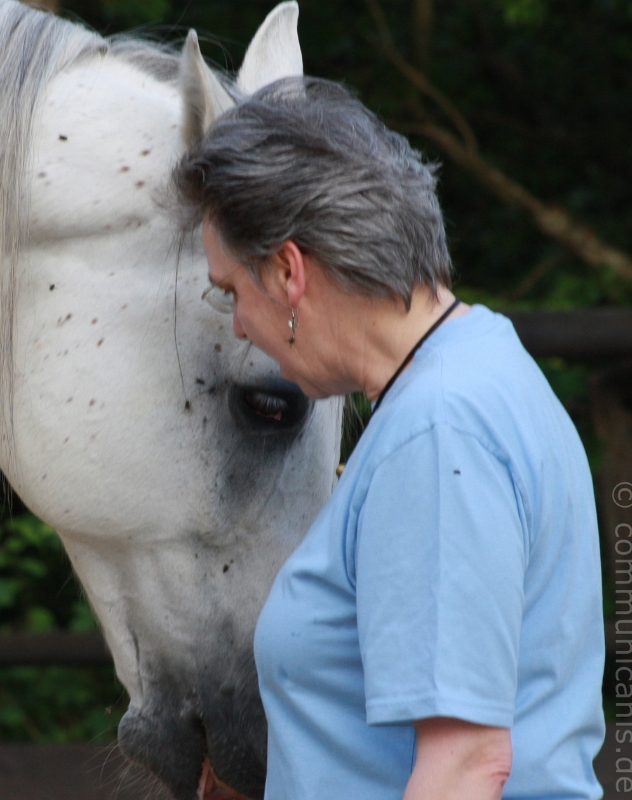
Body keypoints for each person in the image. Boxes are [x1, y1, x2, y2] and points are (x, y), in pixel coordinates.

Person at [174, 77, 605, 800]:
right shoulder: (479, 367)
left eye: (231, 292)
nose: (239, 326)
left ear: (288, 272)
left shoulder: (439, 430)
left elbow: (466, 764)